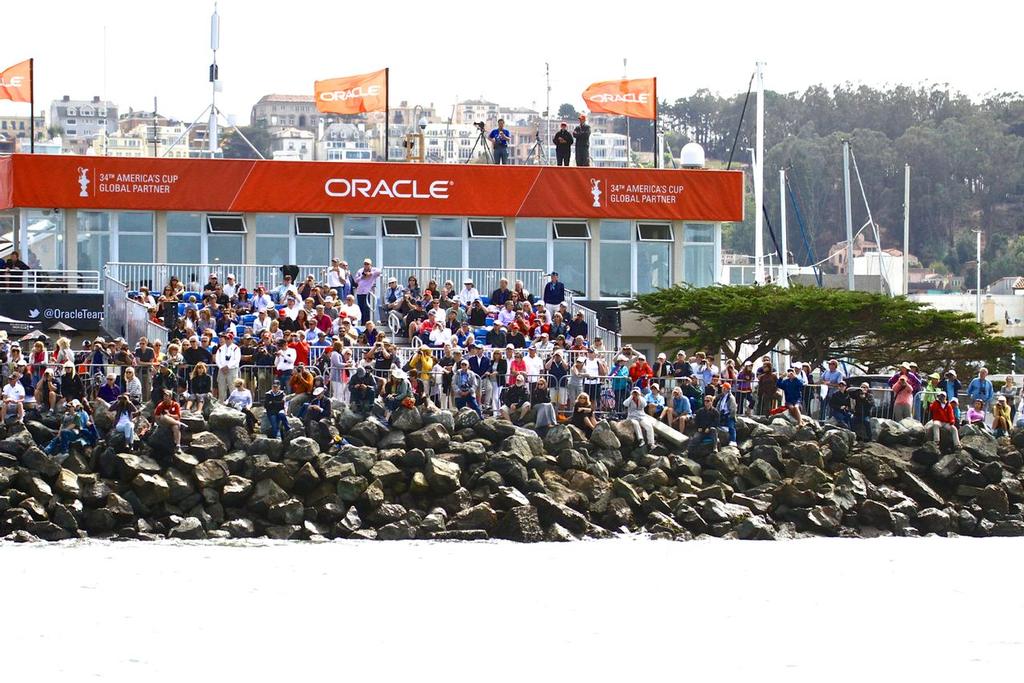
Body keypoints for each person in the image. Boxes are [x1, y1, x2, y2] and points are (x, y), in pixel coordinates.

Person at [352, 258, 382, 324]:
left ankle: (367, 322)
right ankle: (362, 323)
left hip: (367, 293)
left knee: (367, 307)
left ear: (370, 265)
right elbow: (355, 280)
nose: (366, 265)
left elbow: (379, 271)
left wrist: (370, 273)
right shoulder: (360, 271)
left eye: (367, 264)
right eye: (365, 264)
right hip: (360, 292)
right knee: (361, 308)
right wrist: (362, 277)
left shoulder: (373, 270)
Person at [625, 387, 655, 451]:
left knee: (649, 425)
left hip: (641, 416)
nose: (635, 394)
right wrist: (631, 397)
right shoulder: (630, 399)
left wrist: (639, 397)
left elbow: (645, 404)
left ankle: (651, 443)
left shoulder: (641, 399)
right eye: (634, 392)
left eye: (637, 392)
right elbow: (625, 404)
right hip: (632, 417)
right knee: (635, 423)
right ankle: (641, 440)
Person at [214, 333, 241, 399]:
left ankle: (234, 405)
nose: (226, 340)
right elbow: (217, 359)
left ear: (232, 339)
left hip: (232, 370)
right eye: (225, 338)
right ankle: (221, 404)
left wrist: (228, 366)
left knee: (233, 388)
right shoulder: (220, 348)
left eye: (228, 338)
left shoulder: (236, 348)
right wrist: (221, 367)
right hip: (221, 370)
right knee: (221, 389)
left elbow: (236, 360)